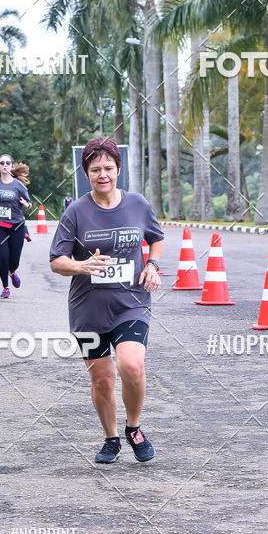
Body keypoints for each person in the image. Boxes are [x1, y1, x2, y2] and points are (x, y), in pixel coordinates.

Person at [50, 137, 164, 464]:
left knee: (131, 364)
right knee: (102, 378)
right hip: (88, 309)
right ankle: (111, 438)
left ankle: (134, 427)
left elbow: (156, 238)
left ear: (118, 169)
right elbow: (56, 261)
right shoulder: (75, 212)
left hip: (131, 303)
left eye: (109, 168)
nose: (103, 174)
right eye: (95, 169)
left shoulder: (137, 205)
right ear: (86, 173)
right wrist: (80, 266)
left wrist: (153, 265)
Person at [0, 154, 31, 299]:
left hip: (16, 225)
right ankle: (5, 287)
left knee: (14, 260)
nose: (4, 165)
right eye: (1, 162)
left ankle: (12, 272)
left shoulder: (18, 185)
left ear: (12, 166)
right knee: (3, 256)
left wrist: (26, 204)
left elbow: (29, 203)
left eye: (7, 162)